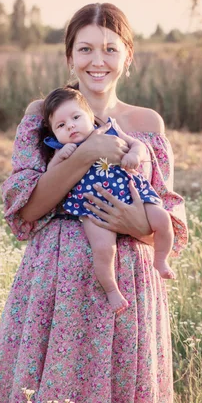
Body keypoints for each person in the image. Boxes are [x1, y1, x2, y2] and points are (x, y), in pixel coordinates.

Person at [0, 3, 188, 403]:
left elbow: (167, 213)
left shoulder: (146, 123)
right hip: (57, 283)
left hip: (129, 282)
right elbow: (27, 207)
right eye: (86, 49)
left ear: (127, 56)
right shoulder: (43, 116)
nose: (98, 61)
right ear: (69, 57)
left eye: (110, 49)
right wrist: (88, 154)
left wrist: (135, 224)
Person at [40, 86, 175, 314]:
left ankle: (161, 259)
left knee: (163, 219)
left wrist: (134, 155)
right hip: (93, 206)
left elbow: (138, 145)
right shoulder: (64, 150)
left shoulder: (110, 129)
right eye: (61, 126)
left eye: (75, 118)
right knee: (103, 249)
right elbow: (49, 178)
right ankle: (111, 290)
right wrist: (59, 160)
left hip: (133, 195)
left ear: (90, 117)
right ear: (54, 134)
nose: (70, 126)